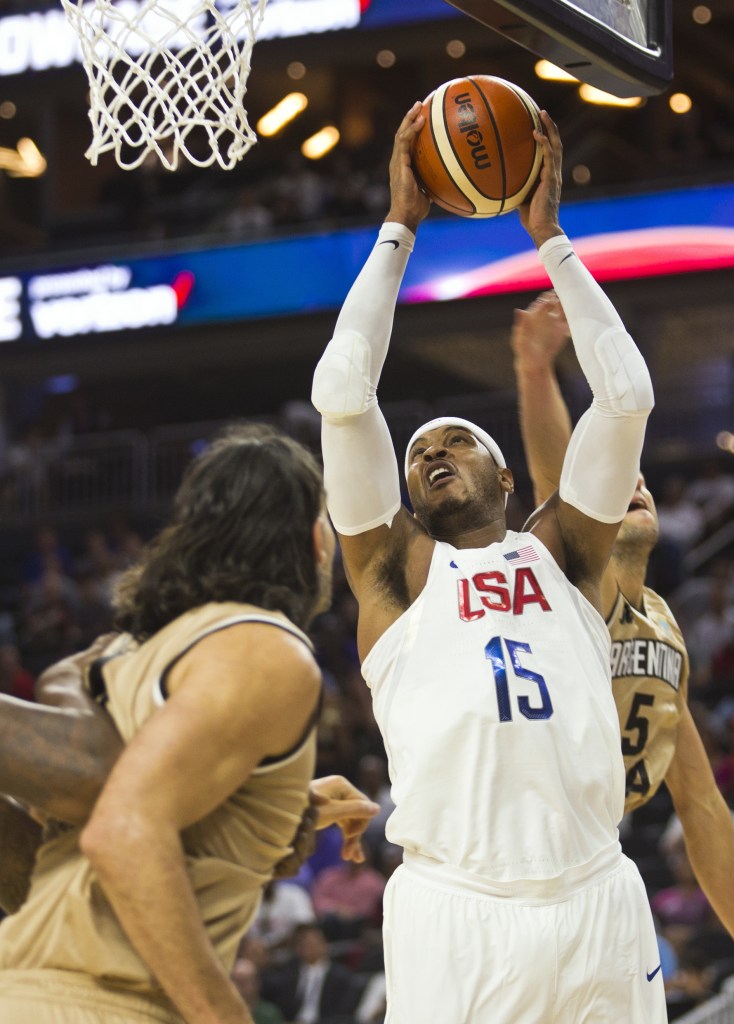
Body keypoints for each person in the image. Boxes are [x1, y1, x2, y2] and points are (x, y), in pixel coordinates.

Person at [312, 103, 663, 1023]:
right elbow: (342, 393)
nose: (431, 452)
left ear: (505, 474)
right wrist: (399, 227)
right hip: (453, 910)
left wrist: (549, 238)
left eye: (456, 440)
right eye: (418, 449)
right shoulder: (392, 575)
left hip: (597, 897)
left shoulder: (566, 553)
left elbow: (625, 395)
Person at [0, 423, 377, 1024]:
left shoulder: (119, 656)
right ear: (315, 538)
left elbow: (72, 851)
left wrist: (284, 804)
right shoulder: (268, 650)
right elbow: (124, 832)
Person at [510, 287, 734, 998]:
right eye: (616, 484)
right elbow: (557, 482)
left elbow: (699, 798)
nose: (632, 484)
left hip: (598, 862)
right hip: (515, 865)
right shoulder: (569, 583)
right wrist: (532, 374)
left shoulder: (661, 620)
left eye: (638, 482)